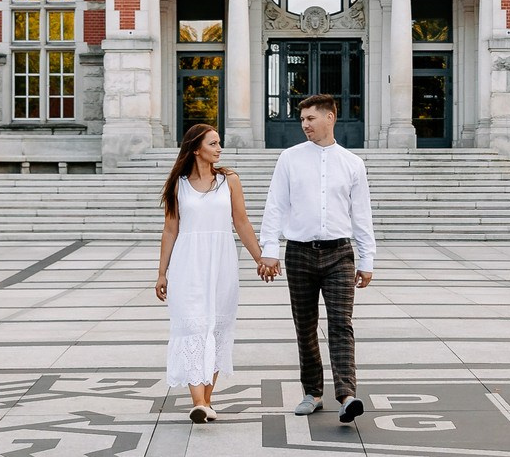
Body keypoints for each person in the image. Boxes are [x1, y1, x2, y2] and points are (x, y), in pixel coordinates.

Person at [256, 93, 376, 423]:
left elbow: (361, 215)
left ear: (329, 118)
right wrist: (269, 250)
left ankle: (347, 395)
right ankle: (312, 392)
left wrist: (367, 260)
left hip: (339, 253)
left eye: (310, 119)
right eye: (303, 119)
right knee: (305, 327)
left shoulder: (353, 164)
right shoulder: (289, 159)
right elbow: (275, 206)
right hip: (299, 254)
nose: (305, 125)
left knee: (341, 325)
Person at [155, 123, 270, 422]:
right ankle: (198, 401)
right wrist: (162, 273)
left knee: (217, 328)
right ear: (196, 149)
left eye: (219, 143)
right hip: (187, 263)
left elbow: (241, 222)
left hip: (221, 262)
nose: (219, 148)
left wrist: (262, 258)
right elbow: (170, 230)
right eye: (213, 143)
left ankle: (205, 401)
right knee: (193, 327)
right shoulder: (178, 185)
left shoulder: (229, 180)